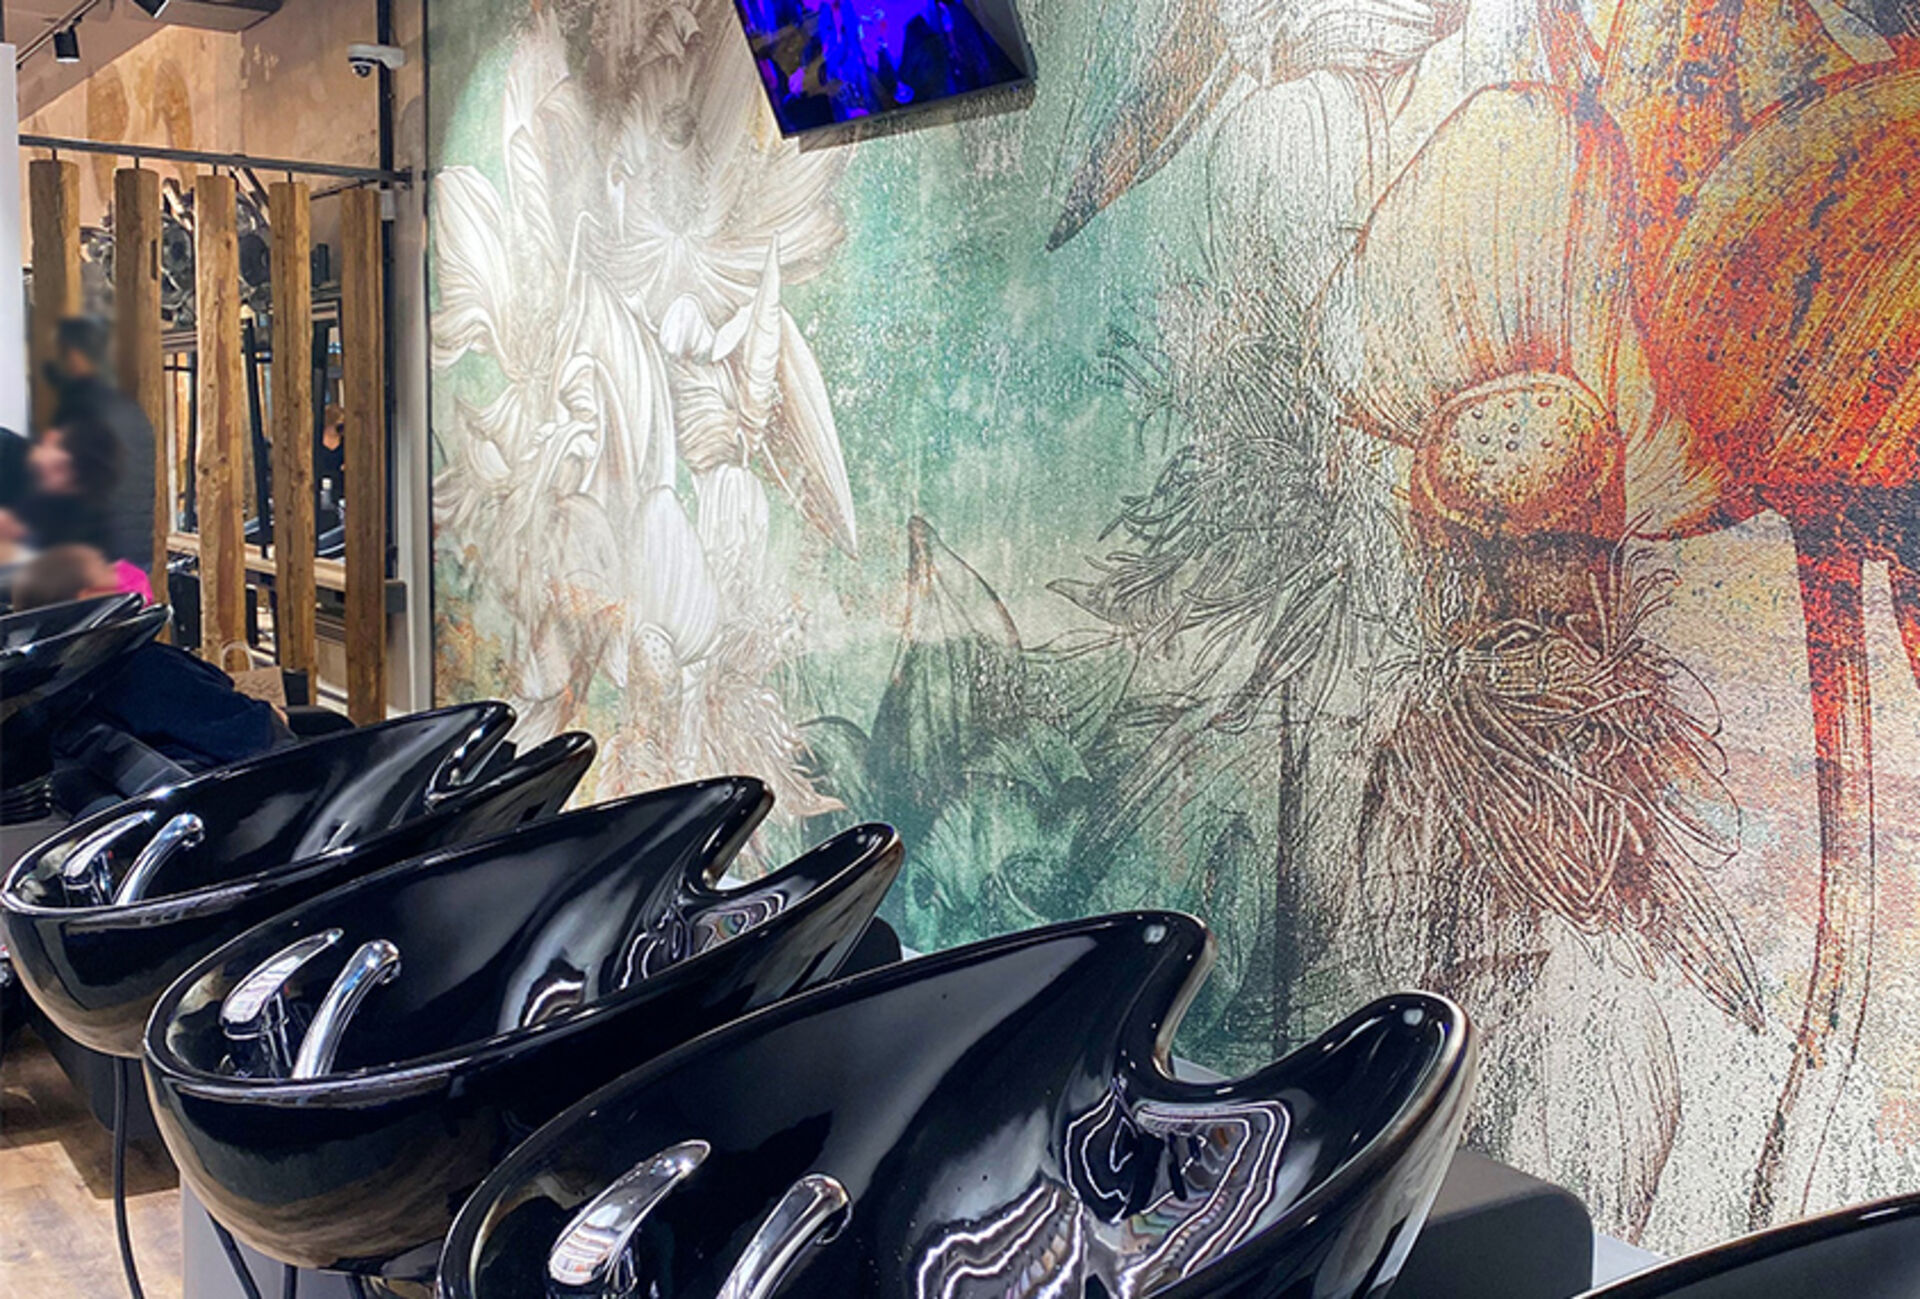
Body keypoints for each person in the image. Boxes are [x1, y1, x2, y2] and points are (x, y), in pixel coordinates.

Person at [10, 546, 292, 770]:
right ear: (90, 600)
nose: (121, 572)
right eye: (106, 568)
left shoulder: (57, 682)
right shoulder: (146, 668)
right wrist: (272, 715)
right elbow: (255, 732)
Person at [47, 315, 156, 574]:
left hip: (95, 563)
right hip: (136, 558)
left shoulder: (79, 409)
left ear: (74, 355)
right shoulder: (132, 411)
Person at [316, 403, 346, 529]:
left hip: (340, 485)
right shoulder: (316, 441)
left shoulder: (345, 442)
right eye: (338, 425)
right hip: (321, 486)